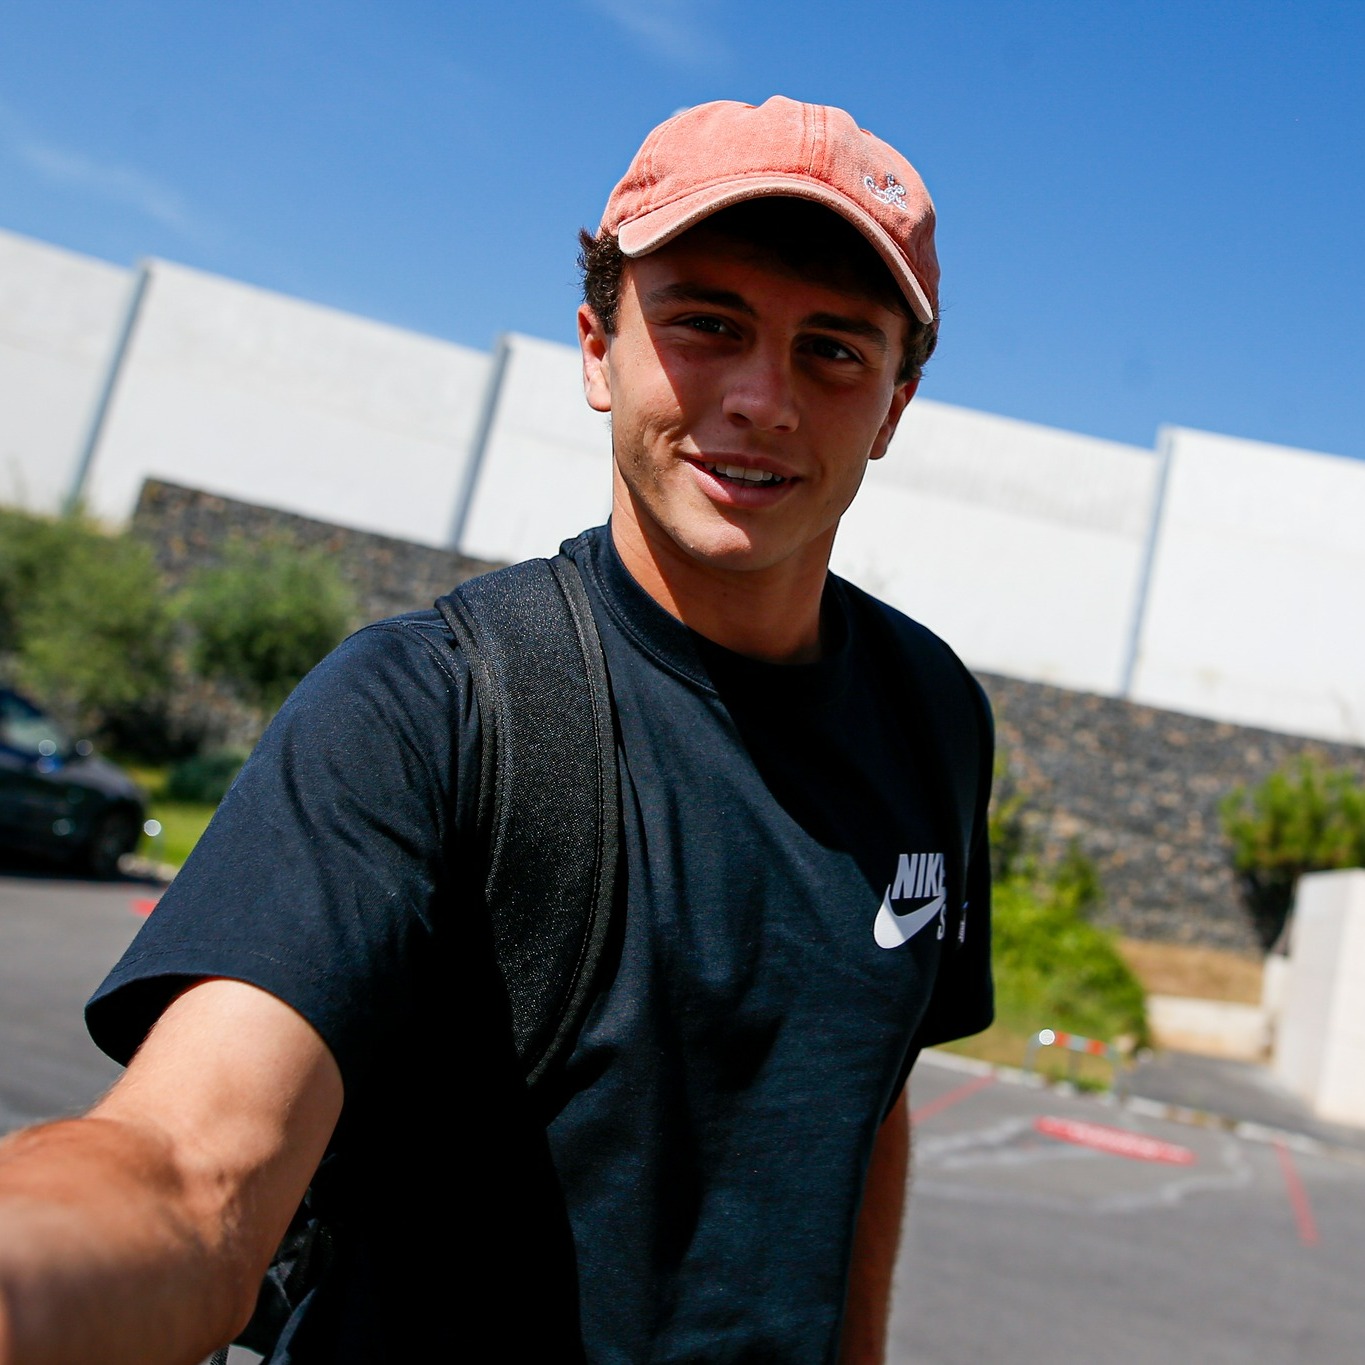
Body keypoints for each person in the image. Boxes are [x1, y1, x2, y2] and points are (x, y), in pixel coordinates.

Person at [0, 96, 992, 1364]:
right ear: (597, 349)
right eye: (706, 323)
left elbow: (868, 1079)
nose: (763, 399)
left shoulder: (935, 720)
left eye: (835, 351)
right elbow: (192, 1170)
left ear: (895, 407)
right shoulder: (428, 708)